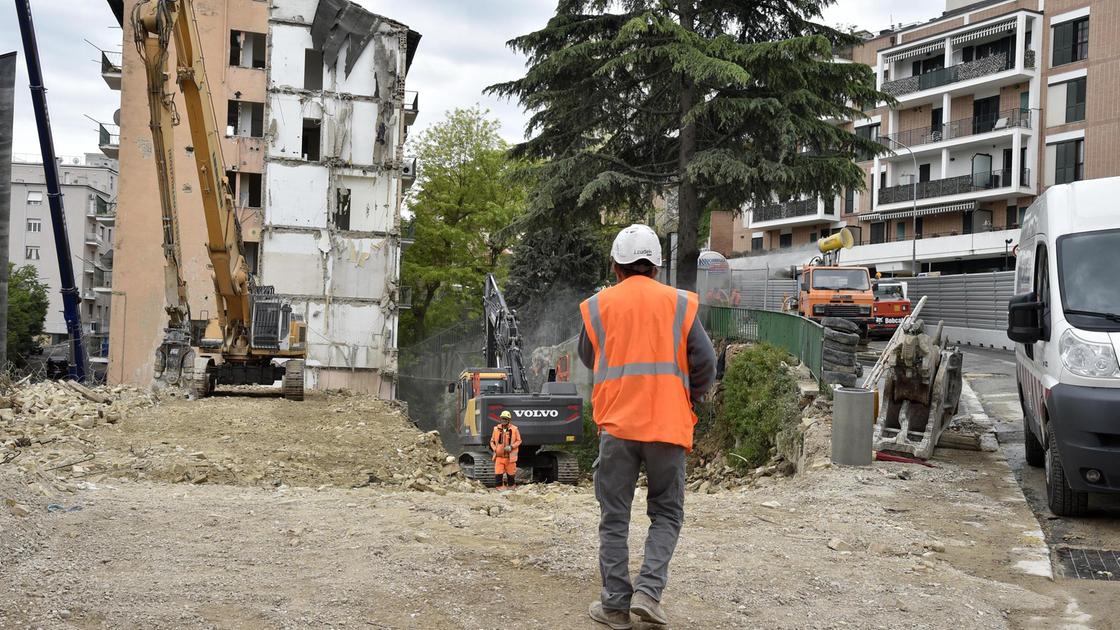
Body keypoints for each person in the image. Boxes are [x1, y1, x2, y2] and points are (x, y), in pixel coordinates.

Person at [578, 224, 717, 629]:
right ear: (656, 268)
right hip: (668, 426)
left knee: (615, 517)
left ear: (615, 266)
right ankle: (649, 593)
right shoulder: (678, 304)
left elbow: (589, 355)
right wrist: (688, 397)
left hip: (618, 426)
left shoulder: (599, 305)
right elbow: (705, 363)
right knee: (667, 514)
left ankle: (616, 606)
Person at [489, 410, 521, 489]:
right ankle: (499, 487)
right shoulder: (496, 429)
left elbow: (519, 440)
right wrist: (495, 449)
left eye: (505, 419)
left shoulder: (514, 429)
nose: (503, 420)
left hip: (510, 458)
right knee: (498, 473)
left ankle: (511, 486)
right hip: (499, 456)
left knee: (511, 473)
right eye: (502, 418)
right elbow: (492, 441)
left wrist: (511, 447)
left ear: (509, 420)